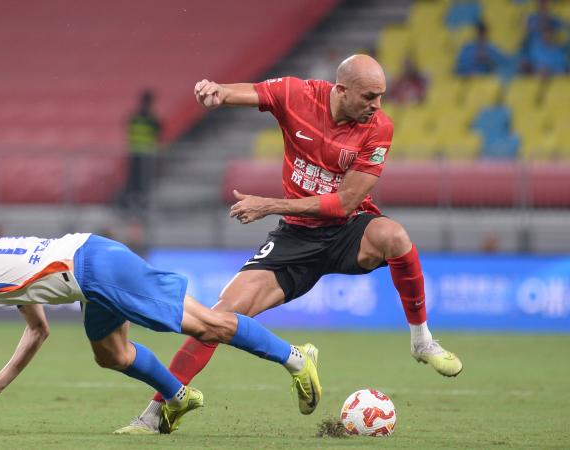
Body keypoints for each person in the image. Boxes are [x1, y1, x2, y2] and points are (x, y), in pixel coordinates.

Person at [116, 54, 463, 435]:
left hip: (348, 229)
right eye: (369, 96)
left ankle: (421, 340)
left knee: (394, 237)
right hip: (296, 237)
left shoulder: (379, 127)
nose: (377, 105)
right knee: (217, 318)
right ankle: (156, 412)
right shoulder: (298, 95)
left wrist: (268, 205)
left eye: (380, 96)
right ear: (341, 90)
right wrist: (219, 92)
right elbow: (254, 92)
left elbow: (345, 203)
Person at [0, 217, 323, 435]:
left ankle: (296, 358)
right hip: (91, 267)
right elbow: (38, 329)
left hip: (94, 269)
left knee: (207, 325)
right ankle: (178, 396)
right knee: (111, 353)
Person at [121, 89, 161, 212]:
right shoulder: (151, 120)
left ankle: (136, 204)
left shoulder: (136, 118)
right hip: (143, 155)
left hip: (139, 154)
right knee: (140, 182)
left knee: (137, 182)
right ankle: (137, 204)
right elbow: (158, 134)